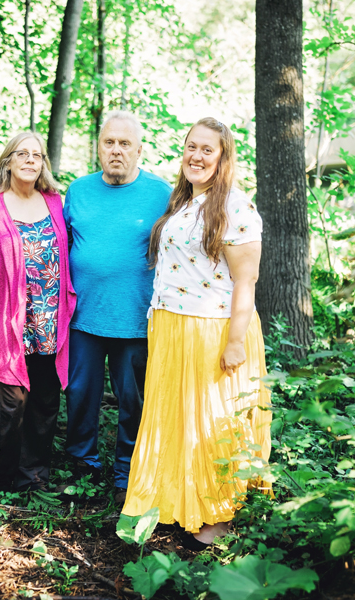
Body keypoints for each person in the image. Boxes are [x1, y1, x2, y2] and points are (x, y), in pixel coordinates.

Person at [121, 117, 271, 549]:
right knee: (175, 419)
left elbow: (246, 280)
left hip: (213, 328)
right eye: (192, 147)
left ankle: (216, 515)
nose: (197, 156)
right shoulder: (185, 202)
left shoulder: (236, 207)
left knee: (211, 420)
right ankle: (175, 499)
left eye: (208, 149)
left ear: (223, 158)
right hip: (172, 326)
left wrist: (236, 342)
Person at [62, 111, 172, 502]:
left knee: (134, 400)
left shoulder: (162, 194)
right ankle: (83, 465)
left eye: (125, 144)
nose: (116, 150)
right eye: (109, 142)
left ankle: (128, 469)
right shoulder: (78, 190)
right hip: (83, 318)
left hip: (135, 320)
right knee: (79, 395)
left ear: (139, 150)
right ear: (99, 147)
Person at [0, 132, 76, 493]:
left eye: (37, 155)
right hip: (9, 318)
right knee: (9, 401)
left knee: (45, 400)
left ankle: (34, 477)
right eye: (22, 153)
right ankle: (0, 478)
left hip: (50, 318)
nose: (30, 160)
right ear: (8, 160)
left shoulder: (53, 201)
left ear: (43, 164)